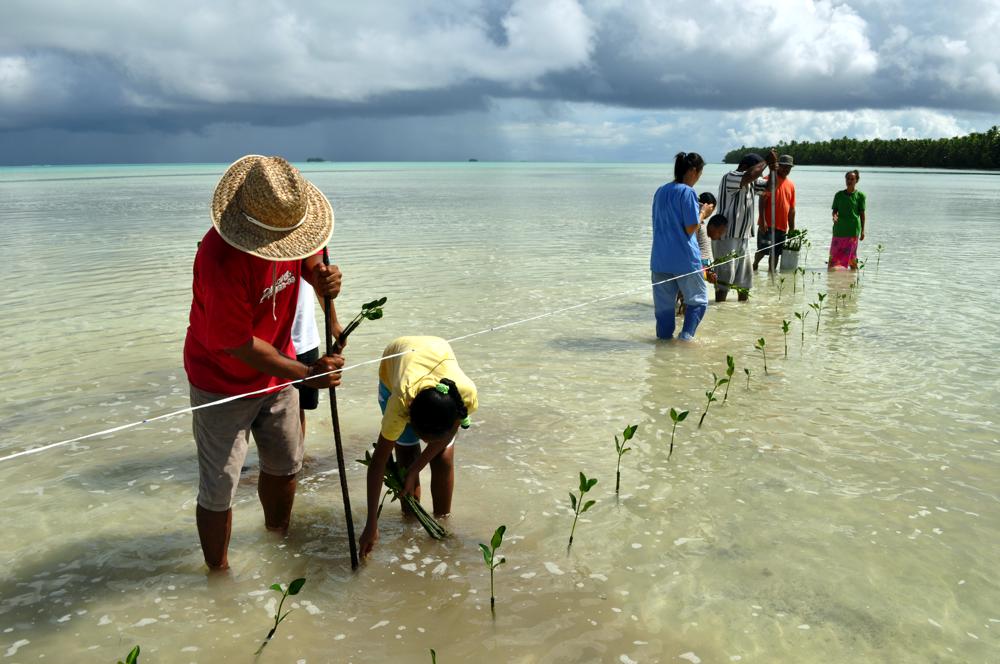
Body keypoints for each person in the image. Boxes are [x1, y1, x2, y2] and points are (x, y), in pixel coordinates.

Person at [184, 155, 345, 571]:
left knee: (287, 464)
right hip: (221, 381)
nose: (289, 247)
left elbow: (313, 263)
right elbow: (238, 344)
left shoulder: (295, 226)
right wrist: (308, 374)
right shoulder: (220, 258)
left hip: (279, 370)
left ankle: (278, 540)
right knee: (219, 486)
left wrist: (327, 283)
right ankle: (217, 576)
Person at [359, 336, 478, 558]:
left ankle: (443, 519)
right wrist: (371, 524)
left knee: (442, 457)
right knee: (406, 455)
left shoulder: (464, 396)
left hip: (436, 351)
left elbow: (451, 431)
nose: (426, 442)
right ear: (409, 417)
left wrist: (417, 469)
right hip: (395, 361)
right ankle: (410, 525)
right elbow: (378, 463)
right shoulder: (401, 402)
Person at [650, 152, 712, 341]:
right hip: (685, 258)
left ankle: (663, 347)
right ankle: (686, 340)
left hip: (660, 259)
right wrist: (704, 213)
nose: (699, 176)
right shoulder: (688, 191)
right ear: (694, 170)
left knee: (664, 308)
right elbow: (691, 227)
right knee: (699, 301)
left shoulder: (660, 190)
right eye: (700, 172)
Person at [713, 150, 778, 301]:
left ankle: (742, 313)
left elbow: (771, 187)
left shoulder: (752, 182)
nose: (759, 174)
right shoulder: (730, 177)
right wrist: (766, 162)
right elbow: (751, 175)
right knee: (724, 281)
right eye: (757, 169)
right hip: (726, 237)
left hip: (744, 236)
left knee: (744, 283)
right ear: (744, 166)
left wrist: (773, 167)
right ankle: (720, 314)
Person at [753, 154, 796, 272]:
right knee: (762, 250)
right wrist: (762, 220)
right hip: (767, 225)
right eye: (784, 167)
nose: (786, 170)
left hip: (782, 227)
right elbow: (761, 201)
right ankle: (754, 265)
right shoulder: (766, 180)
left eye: (789, 168)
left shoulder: (791, 185)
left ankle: (771, 273)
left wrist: (792, 228)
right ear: (777, 166)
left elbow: (791, 209)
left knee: (776, 253)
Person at [291, 278, 321, 441]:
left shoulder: (312, 251)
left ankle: (298, 458)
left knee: (298, 407)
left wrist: (335, 325)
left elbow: (321, 285)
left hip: (304, 340)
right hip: (266, 345)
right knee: (256, 406)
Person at [829, 169, 866, 270]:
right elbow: (835, 210)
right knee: (833, 258)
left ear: (856, 180)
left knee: (852, 259)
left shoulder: (860, 196)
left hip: (852, 231)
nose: (849, 181)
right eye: (848, 178)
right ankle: (831, 281)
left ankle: (854, 278)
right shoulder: (839, 195)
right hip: (839, 230)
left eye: (852, 179)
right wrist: (834, 216)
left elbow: (862, 214)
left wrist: (863, 231)